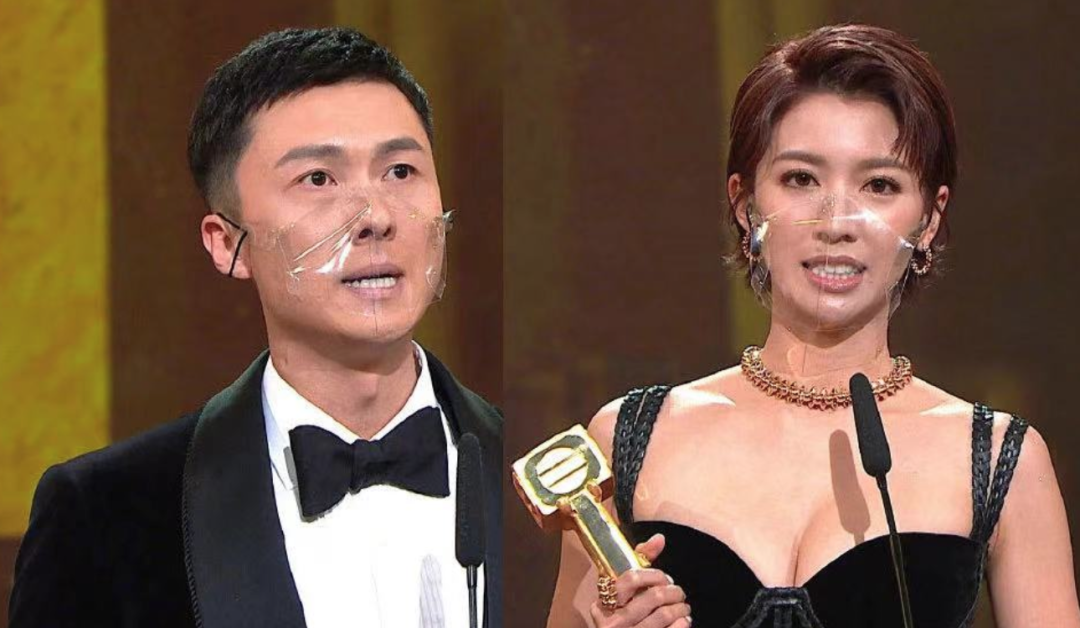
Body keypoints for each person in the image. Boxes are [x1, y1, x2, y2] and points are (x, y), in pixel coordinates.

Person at [546, 24, 1078, 628]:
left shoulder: (999, 459)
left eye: (879, 185)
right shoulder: (628, 441)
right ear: (745, 206)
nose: (836, 222)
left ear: (929, 221)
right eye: (801, 179)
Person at [9, 27, 502, 628]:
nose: (375, 216)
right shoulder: (105, 515)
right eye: (318, 179)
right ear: (227, 243)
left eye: (400, 171)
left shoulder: (551, 476)